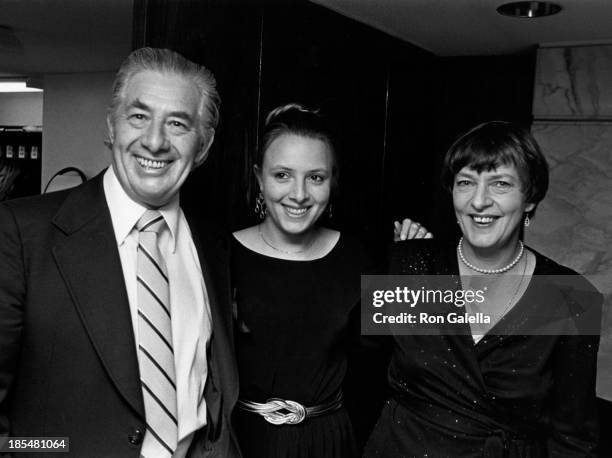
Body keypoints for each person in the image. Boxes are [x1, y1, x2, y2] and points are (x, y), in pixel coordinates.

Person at [0, 48, 240, 457]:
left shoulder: (215, 248)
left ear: (203, 145)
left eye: (178, 123)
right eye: (139, 116)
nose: (155, 141)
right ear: (112, 124)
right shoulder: (22, 233)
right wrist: (52, 449)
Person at [364, 121, 602, 457]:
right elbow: (353, 367)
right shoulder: (407, 266)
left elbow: (573, 437)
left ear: (530, 197)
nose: (479, 201)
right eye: (465, 183)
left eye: (500, 184)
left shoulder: (573, 296)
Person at [230, 104, 430, 457]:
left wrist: (417, 270)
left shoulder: (357, 259)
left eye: (316, 177)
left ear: (332, 182)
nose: (299, 194)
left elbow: (411, 356)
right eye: (282, 175)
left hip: (328, 441)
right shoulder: (221, 256)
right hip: (239, 441)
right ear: (259, 178)